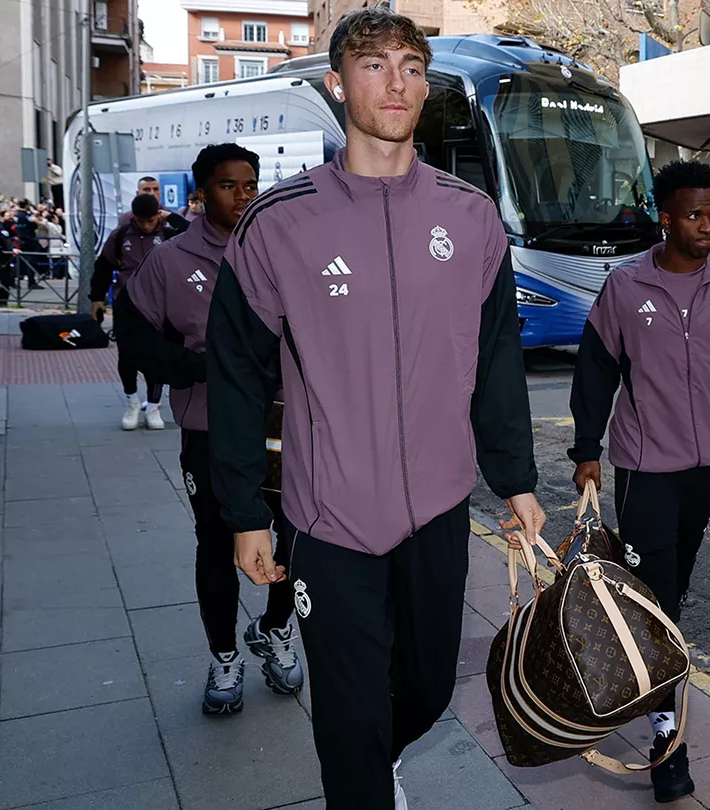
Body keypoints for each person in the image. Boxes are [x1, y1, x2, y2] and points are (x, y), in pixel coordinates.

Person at [205, 9, 546, 807]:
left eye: (412, 66)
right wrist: (244, 513)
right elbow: (235, 374)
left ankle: (375, 756)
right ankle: (361, 778)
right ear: (336, 84)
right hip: (331, 524)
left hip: (437, 513)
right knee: (349, 724)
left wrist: (517, 480)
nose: (396, 82)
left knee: (426, 692)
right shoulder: (278, 223)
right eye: (373, 65)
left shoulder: (471, 219)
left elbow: (496, 360)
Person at [568, 160, 710, 804]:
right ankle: (668, 737)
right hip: (643, 467)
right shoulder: (625, 284)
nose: (707, 227)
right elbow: (596, 368)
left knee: (674, 593)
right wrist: (587, 450)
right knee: (656, 599)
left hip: (705, 468)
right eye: (694, 215)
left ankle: (655, 680)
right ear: (664, 218)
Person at [129, 143, 304, 714]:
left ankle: (278, 630)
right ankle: (224, 654)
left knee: (295, 532)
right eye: (229, 185)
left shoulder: (280, 250)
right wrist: (205, 368)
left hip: (282, 425)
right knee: (216, 542)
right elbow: (135, 339)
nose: (243, 195)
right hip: (207, 428)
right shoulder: (171, 260)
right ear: (202, 193)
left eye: (250, 184)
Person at [92, 192, 187, 430]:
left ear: (158, 215)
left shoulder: (168, 232)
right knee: (127, 356)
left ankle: (153, 407)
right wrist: (96, 299)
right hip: (127, 306)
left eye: (151, 220)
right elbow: (103, 267)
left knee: (156, 357)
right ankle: (132, 402)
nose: (146, 225)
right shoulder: (121, 235)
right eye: (141, 220)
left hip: (160, 306)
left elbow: (193, 233)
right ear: (133, 217)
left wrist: (172, 217)